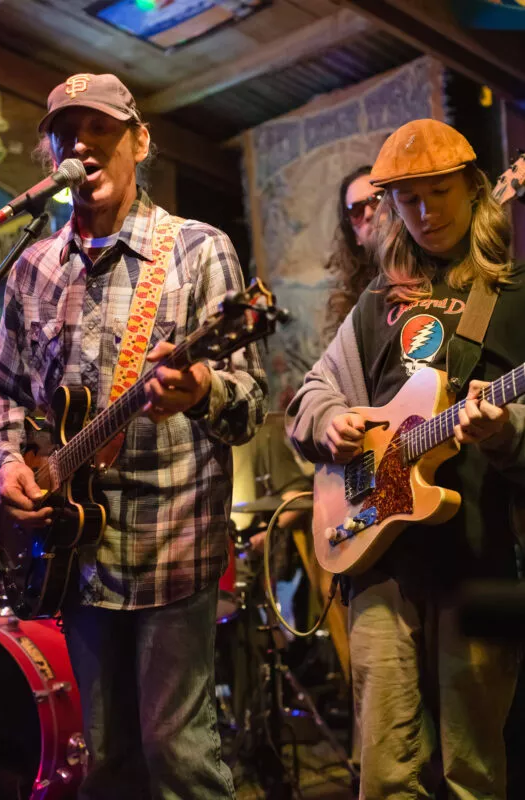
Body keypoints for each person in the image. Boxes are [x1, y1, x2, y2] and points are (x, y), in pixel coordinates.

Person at [0, 73, 268, 800]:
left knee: (177, 755)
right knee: (103, 759)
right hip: (72, 551)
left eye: (101, 129)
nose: (81, 144)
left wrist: (201, 389)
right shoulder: (31, 267)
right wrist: (4, 467)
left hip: (169, 543)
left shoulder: (197, 252)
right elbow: (6, 394)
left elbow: (248, 404)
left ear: (139, 142)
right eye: (65, 133)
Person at [287, 118, 524, 799]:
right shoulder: (377, 302)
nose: (424, 212)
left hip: (483, 561)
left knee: (470, 771)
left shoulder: (514, 295)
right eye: (407, 198)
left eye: (439, 192)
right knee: (385, 771)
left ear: (475, 190)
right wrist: (330, 422)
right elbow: (312, 394)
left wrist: (505, 432)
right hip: (379, 561)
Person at [323, 166, 381, 342]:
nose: (369, 213)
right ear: (356, 236)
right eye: (356, 211)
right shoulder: (357, 311)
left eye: (377, 200)